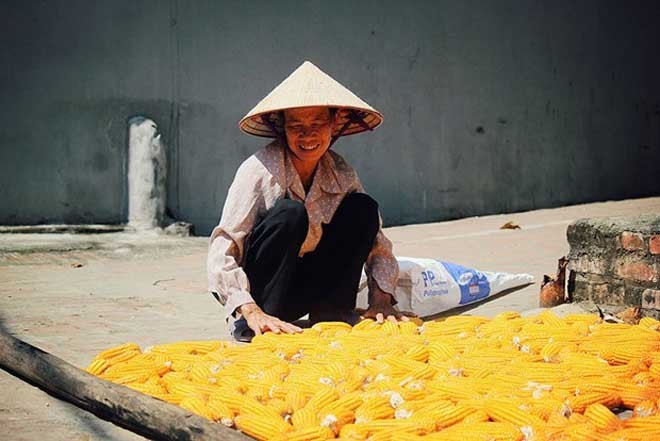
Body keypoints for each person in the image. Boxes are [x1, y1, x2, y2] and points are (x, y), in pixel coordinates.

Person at [207, 61, 412, 342]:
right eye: (297, 126)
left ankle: (333, 312)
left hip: (312, 286)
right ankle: (258, 321)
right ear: (284, 129)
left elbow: (377, 244)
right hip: (265, 291)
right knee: (290, 214)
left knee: (362, 209)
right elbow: (223, 247)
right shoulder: (259, 170)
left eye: (317, 124)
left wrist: (381, 300)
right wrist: (248, 308)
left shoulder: (340, 171)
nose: (308, 135)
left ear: (333, 125)